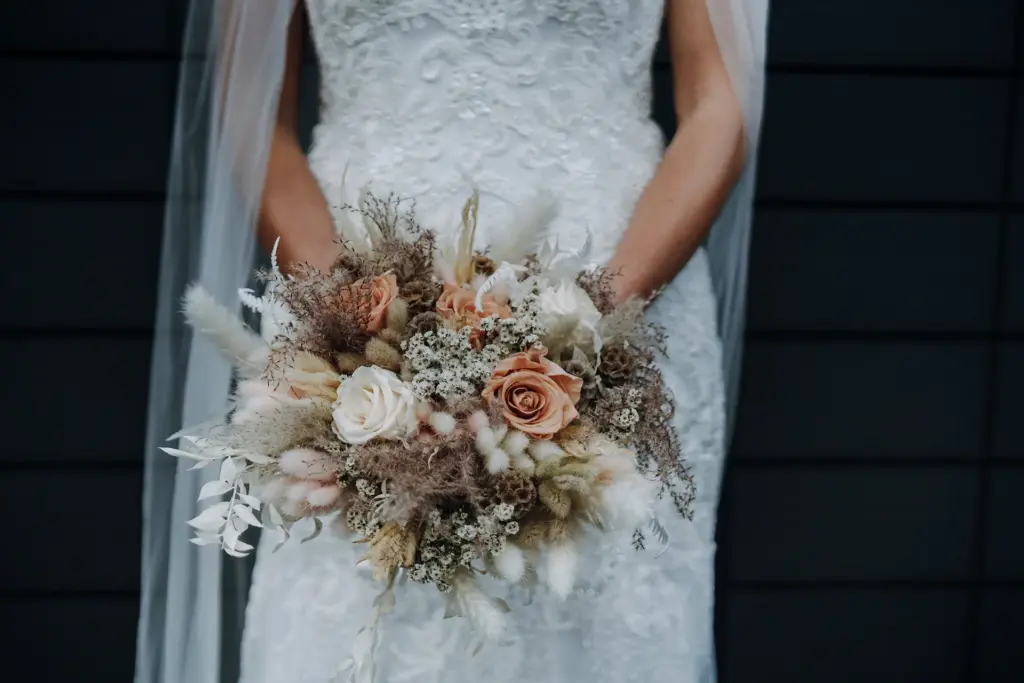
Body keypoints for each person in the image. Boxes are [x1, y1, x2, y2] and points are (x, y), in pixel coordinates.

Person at [136, 2, 768, 682]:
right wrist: (353, 327)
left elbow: (718, 102)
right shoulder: (351, 319)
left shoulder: (607, 308)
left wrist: (584, 320)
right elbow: (253, 105)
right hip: (348, 275)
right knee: (356, 600)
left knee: (609, 614)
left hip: (631, 279)